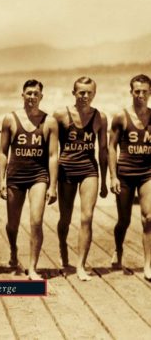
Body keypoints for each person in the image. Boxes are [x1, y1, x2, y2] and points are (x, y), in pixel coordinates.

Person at [0, 79, 58, 280]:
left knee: (36, 221)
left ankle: (33, 268)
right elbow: (2, 152)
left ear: (41, 96)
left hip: (38, 176)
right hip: (15, 176)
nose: (32, 96)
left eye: (36, 93)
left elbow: (52, 156)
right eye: (29, 93)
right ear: (22, 95)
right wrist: (0, 181)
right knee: (12, 224)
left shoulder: (49, 122)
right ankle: (14, 250)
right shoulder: (10, 119)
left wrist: (53, 185)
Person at [54, 76, 108, 281]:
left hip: (89, 170)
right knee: (65, 218)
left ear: (94, 94)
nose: (85, 96)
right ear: (74, 93)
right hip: (66, 170)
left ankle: (80, 265)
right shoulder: (60, 115)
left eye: (89, 92)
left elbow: (103, 150)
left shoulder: (100, 118)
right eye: (81, 92)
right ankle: (62, 247)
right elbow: (50, 148)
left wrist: (104, 181)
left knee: (87, 217)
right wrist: (50, 181)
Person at [109, 74, 151, 280]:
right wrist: (113, 177)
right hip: (124, 174)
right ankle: (118, 249)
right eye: (137, 91)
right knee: (123, 220)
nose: (141, 95)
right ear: (131, 92)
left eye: (144, 91)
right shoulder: (121, 117)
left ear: (150, 92)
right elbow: (111, 147)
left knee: (149, 218)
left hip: (147, 175)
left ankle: (148, 264)